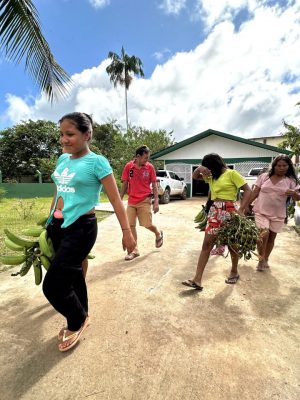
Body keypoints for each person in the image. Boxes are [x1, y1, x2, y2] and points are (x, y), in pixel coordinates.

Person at [43, 112, 136, 352]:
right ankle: (84, 313)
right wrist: (50, 216)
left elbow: (116, 199)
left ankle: (76, 321)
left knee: (52, 285)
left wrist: (127, 232)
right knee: (72, 276)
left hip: (81, 228)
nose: (64, 139)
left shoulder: (97, 162)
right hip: (58, 226)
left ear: (87, 134)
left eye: (70, 134)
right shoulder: (63, 160)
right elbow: (59, 190)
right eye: (62, 134)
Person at [182, 153, 251, 290]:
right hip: (214, 211)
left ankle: (234, 271)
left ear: (215, 165)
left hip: (229, 210)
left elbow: (247, 190)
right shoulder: (211, 176)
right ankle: (197, 279)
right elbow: (195, 177)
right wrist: (199, 168)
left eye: (209, 168)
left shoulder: (232, 174)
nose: (208, 172)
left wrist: (242, 209)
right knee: (207, 244)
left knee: (232, 244)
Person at [247, 154, 300, 271]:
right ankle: (260, 259)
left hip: (278, 214)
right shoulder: (264, 177)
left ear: (288, 166)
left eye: (284, 165)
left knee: (271, 238)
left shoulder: (291, 181)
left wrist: (295, 194)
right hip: (261, 211)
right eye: (278, 165)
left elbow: (297, 199)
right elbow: (255, 192)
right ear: (274, 166)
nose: (281, 168)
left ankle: (266, 258)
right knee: (263, 235)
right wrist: (245, 205)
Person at [120, 145, 163, 260]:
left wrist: (156, 202)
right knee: (130, 226)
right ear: (138, 156)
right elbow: (124, 184)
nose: (147, 160)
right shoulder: (129, 167)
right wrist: (119, 199)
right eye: (145, 158)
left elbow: (154, 185)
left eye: (148, 158)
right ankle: (134, 250)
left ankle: (158, 233)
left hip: (145, 200)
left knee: (146, 224)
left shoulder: (150, 168)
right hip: (131, 201)